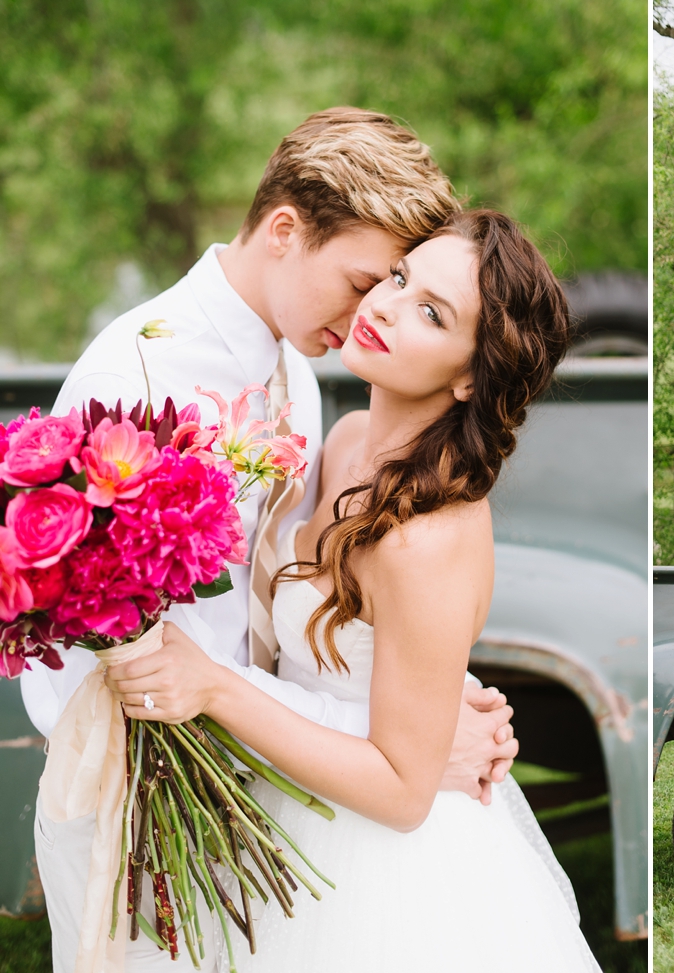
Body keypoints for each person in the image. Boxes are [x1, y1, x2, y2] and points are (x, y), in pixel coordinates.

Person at [22, 108, 519, 973]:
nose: (375, 311)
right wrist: (394, 736)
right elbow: (85, 677)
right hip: (144, 813)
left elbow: (315, 605)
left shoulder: (295, 366)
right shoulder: (135, 379)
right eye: (368, 278)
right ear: (285, 229)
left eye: (398, 286)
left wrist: (429, 701)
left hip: (272, 808)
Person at [109, 211, 601, 971]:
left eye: (432, 314)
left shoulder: (425, 538)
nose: (386, 308)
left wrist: (211, 687)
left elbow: (406, 789)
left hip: (379, 868)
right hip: (283, 803)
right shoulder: (341, 443)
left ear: (471, 372)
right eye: (401, 279)